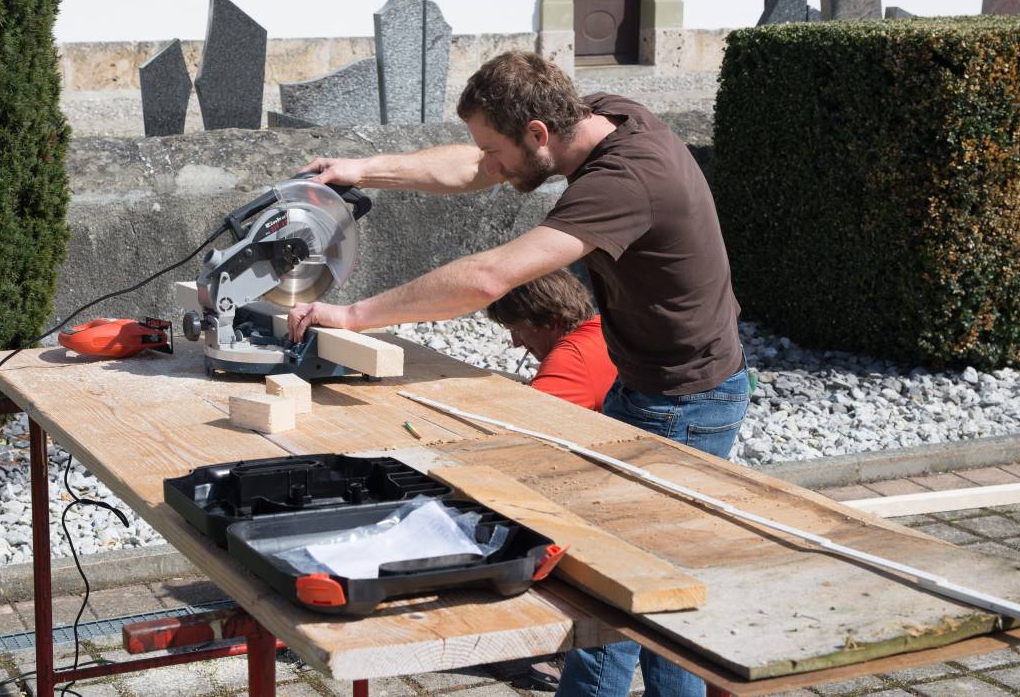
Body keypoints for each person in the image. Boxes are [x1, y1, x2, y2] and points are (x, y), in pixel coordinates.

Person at [288, 50, 749, 697]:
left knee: (618, 596)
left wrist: (354, 315)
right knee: (657, 596)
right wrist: (362, 170)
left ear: (537, 132)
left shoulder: (623, 182)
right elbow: (474, 165)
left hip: (682, 402)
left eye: (497, 150)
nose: (491, 166)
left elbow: (489, 277)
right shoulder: (602, 117)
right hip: (660, 383)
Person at [485, 269, 617, 411]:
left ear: (551, 320)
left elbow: (526, 416)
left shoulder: (570, 361)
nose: (516, 343)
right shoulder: (605, 328)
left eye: (517, 330)